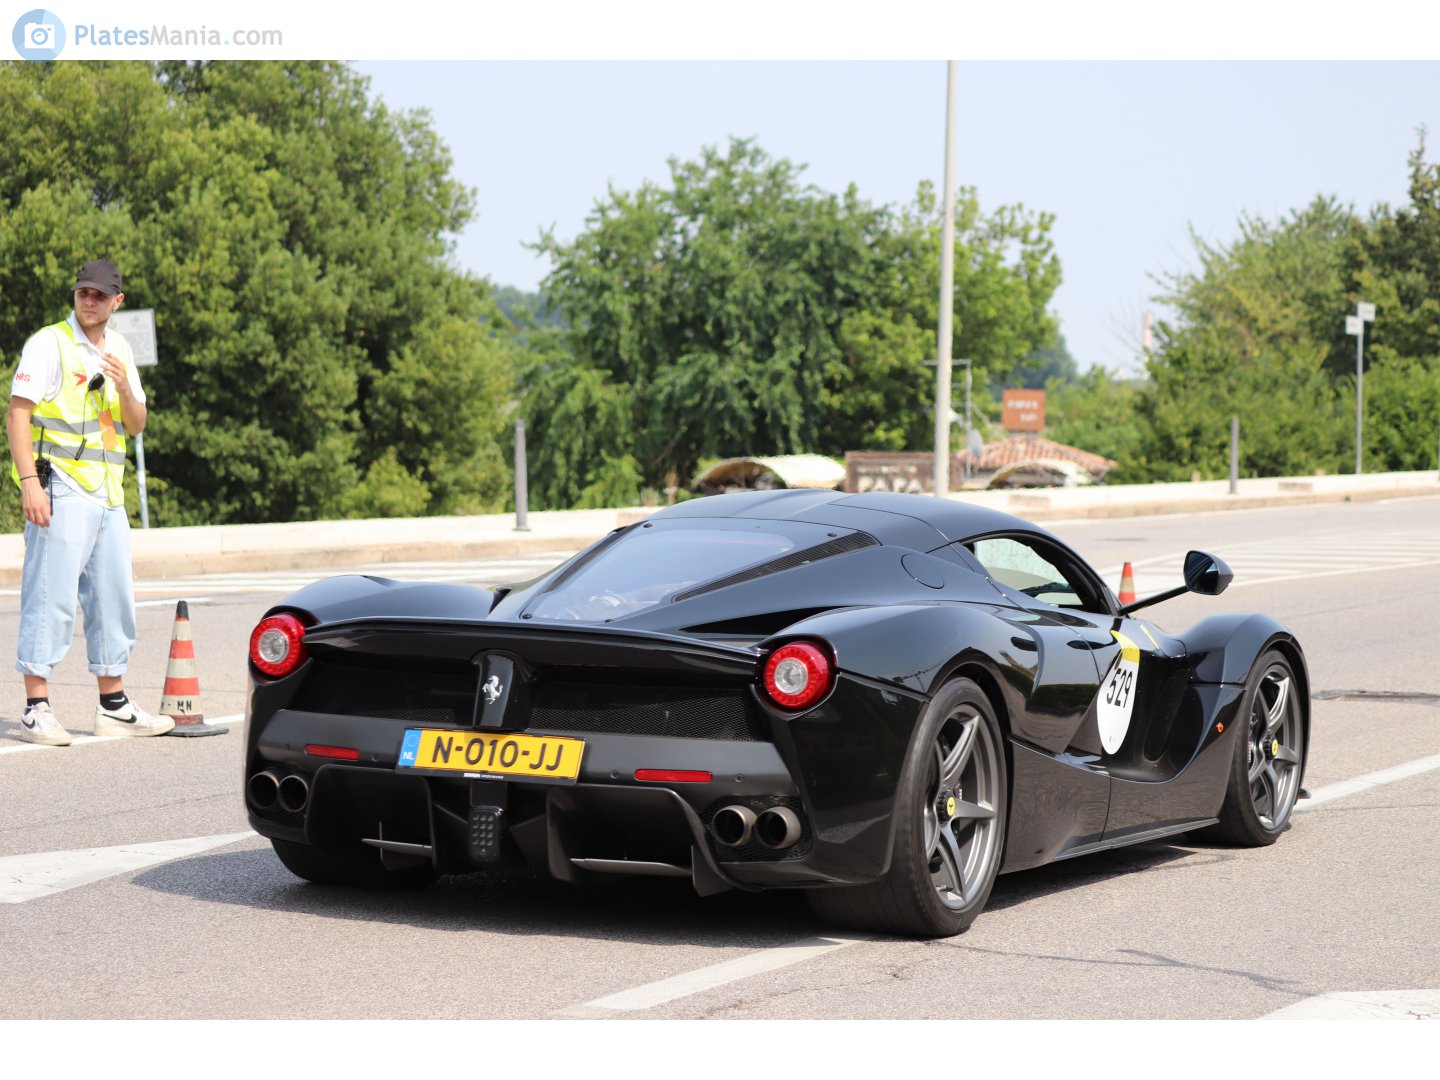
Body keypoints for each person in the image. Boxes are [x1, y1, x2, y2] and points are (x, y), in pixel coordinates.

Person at [6, 259, 173, 745]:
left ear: (117, 301)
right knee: (49, 597)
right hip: (59, 486)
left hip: (108, 492)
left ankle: (113, 705)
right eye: (84, 292)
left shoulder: (119, 348)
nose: (90, 300)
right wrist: (28, 483)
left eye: (100, 295)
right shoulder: (49, 342)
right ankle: (37, 707)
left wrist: (124, 386)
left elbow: (136, 423)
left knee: (112, 600)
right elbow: (18, 416)